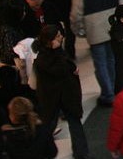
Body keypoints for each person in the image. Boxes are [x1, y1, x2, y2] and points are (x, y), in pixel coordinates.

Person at [70, 0, 123, 107]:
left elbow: (75, 16)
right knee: (113, 60)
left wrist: (80, 32)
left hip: (94, 31)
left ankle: (108, 94)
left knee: (100, 63)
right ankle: (116, 89)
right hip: (114, 28)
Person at [32, 25, 90, 159]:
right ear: (49, 41)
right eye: (58, 36)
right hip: (54, 97)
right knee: (50, 126)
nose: (61, 38)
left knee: (72, 123)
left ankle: (81, 153)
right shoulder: (44, 59)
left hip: (64, 95)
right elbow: (61, 70)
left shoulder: (52, 54)